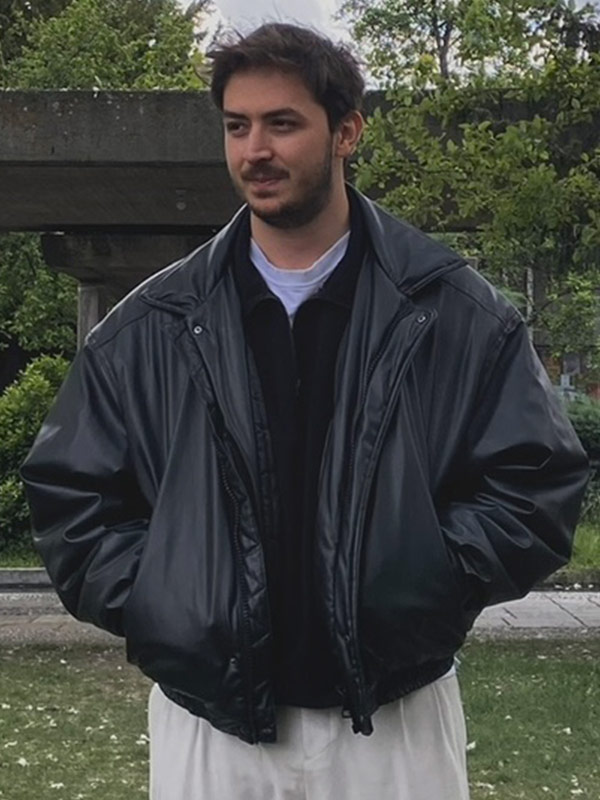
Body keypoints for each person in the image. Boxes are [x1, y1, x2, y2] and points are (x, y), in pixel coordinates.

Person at [21, 22, 588, 800]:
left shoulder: (457, 314)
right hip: (210, 727)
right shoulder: (147, 328)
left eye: (282, 123)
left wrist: (424, 583)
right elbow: (72, 499)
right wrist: (168, 602)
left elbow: (536, 484)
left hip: (396, 720)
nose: (255, 150)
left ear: (346, 131)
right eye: (237, 126)